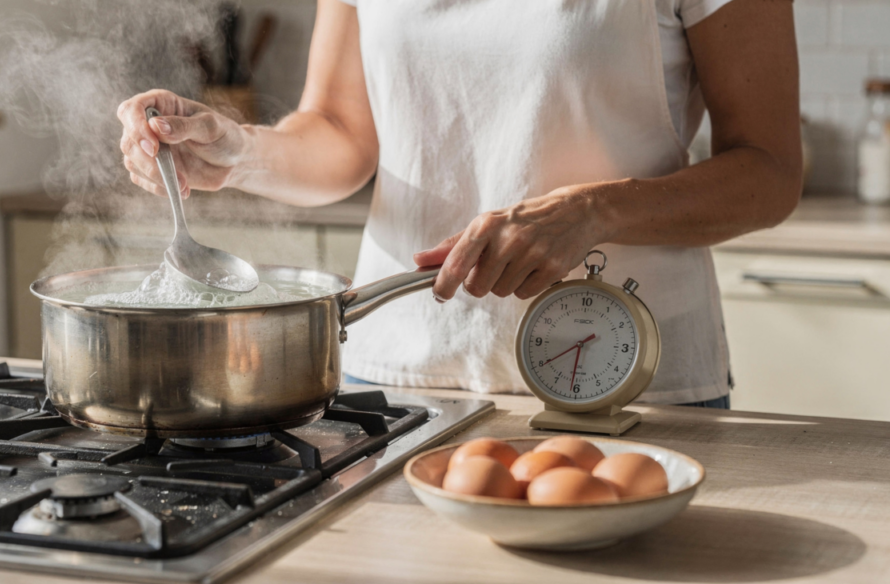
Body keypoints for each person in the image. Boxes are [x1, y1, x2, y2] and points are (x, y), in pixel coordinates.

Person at [116, 0, 801, 409]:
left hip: (621, 375)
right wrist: (236, 151)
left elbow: (769, 170)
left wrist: (595, 211)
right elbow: (341, 134)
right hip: (400, 374)